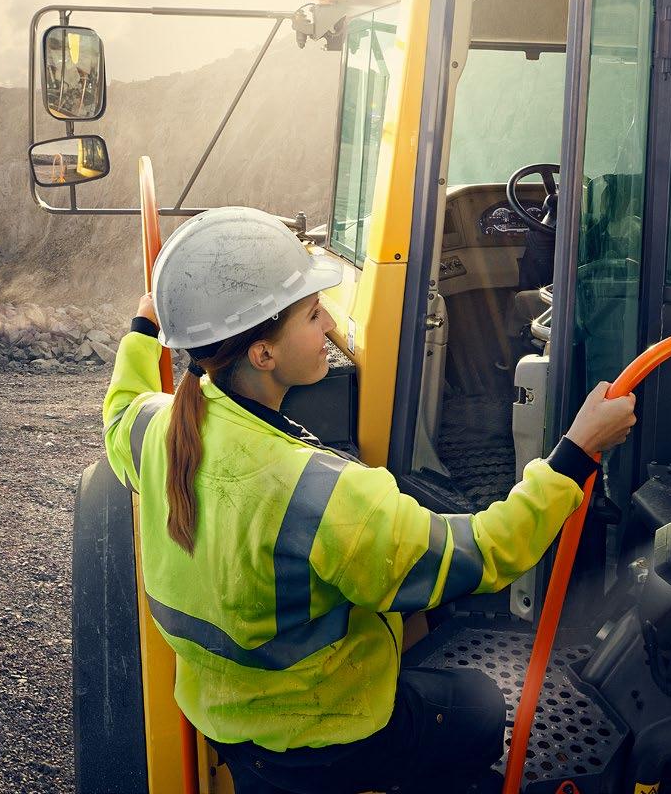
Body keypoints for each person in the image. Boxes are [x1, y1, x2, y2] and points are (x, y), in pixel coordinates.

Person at [103, 206, 636, 794]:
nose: (330, 323)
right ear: (262, 354)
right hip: (329, 741)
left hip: (230, 731)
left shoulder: (158, 431)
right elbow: (484, 552)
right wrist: (579, 452)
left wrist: (142, 325)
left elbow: (120, 407)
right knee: (482, 705)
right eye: (311, 314)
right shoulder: (324, 495)